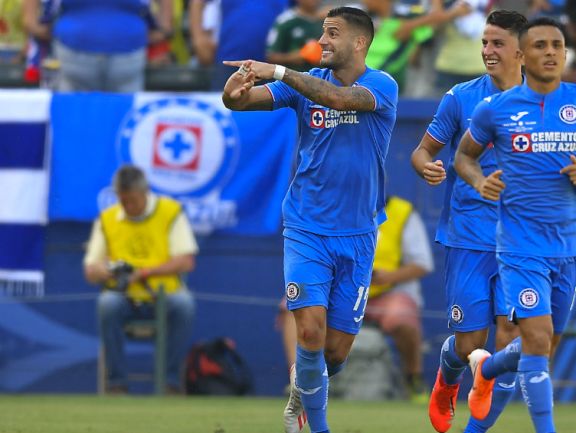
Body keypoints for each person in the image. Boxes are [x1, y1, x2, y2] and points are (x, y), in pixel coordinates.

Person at [220, 7, 398, 433]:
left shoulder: (381, 85)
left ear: (359, 42)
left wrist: (278, 70)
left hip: (358, 234)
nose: (322, 41)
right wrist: (233, 91)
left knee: (333, 353)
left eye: (332, 34)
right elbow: (239, 102)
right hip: (306, 228)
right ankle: (314, 428)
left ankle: (305, 384)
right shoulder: (304, 85)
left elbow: (336, 99)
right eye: (322, 32)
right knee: (311, 333)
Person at [454, 17, 576, 433]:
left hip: (570, 244)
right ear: (523, 56)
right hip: (519, 246)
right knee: (535, 340)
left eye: (557, 45)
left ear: (565, 53)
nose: (550, 52)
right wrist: (480, 181)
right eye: (541, 46)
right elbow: (463, 157)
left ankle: (489, 370)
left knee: (542, 346)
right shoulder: (496, 109)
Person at [411, 9, 525, 433]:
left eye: (497, 43)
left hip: (521, 241)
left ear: (521, 50)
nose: (487, 51)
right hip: (469, 235)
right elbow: (422, 151)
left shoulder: (546, 103)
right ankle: (447, 376)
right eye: (484, 42)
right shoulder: (460, 97)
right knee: (469, 345)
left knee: (513, 339)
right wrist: (427, 166)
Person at [278, 195, 434, 401]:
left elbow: (423, 264)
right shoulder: (335, 207)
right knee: (293, 305)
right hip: (343, 287)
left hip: (386, 292)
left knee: (402, 316)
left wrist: (387, 276)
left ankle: (413, 378)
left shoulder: (402, 212)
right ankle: (300, 379)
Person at [83, 165, 197, 394]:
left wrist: (144, 273)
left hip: (163, 296)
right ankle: (116, 384)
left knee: (184, 305)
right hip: (123, 297)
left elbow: (186, 261)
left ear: (146, 192)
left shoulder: (170, 211)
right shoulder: (107, 218)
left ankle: (170, 383)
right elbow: (90, 270)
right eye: (122, 200)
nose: (128, 206)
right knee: (107, 304)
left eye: (132, 200)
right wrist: (102, 271)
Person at [41, 0, 173, 92]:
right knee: (122, 120)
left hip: (77, 45)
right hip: (125, 47)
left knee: (77, 116)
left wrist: (37, 25)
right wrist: (163, 28)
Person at [266, 0, 326, 73]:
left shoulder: (328, 19)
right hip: (293, 79)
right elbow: (270, 56)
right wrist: (297, 56)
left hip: (323, 79)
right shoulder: (286, 21)